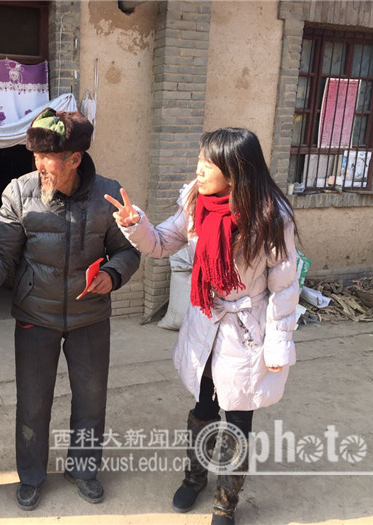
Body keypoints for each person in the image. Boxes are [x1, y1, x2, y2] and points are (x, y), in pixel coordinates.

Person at [105, 128, 300, 525]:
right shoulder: (196, 202)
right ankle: (194, 477)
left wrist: (279, 345)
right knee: (204, 405)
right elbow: (161, 242)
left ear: (236, 170)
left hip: (246, 328)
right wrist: (134, 222)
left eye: (209, 163)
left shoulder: (271, 217)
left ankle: (225, 502)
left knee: (239, 415)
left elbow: (284, 287)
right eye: (200, 159)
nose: (199, 169)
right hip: (206, 319)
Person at [0, 108, 140, 510]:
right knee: (33, 402)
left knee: (91, 400)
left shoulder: (107, 195)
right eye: (36, 156)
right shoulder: (19, 193)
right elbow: (0, 254)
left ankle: (84, 470)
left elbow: (127, 251)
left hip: (90, 316)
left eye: (48, 157)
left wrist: (112, 274)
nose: (39, 165)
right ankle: (31, 476)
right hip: (35, 316)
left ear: (75, 159)